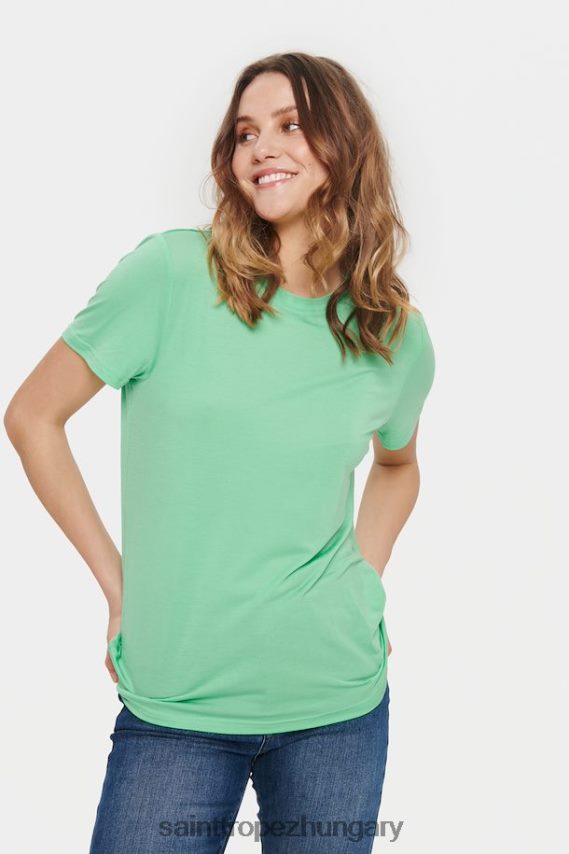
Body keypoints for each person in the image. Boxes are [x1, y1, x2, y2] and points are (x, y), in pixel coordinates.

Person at [4, 52, 435, 853]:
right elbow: (32, 417)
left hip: (337, 701)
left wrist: (364, 579)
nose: (260, 147)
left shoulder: (392, 335)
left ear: (345, 147)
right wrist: (120, 588)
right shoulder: (171, 275)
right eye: (244, 133)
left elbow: (397, 465)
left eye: (290, 126)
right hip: (179, 701)